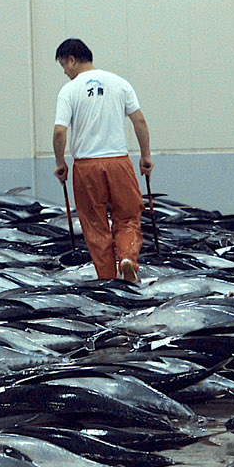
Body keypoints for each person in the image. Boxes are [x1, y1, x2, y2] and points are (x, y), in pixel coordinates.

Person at [52, 38, 151, 284]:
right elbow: (139, 121)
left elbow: (59, 132)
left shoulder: (70, 90)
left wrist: (60, 163)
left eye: (64, 65)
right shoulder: (120, 84)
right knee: (128, 217)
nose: (65, 71)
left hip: (86, 166)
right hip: (119, 161)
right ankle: (127, 259)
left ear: (72, 59)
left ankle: (108, 281)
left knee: (95, 226)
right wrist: (146, 155)